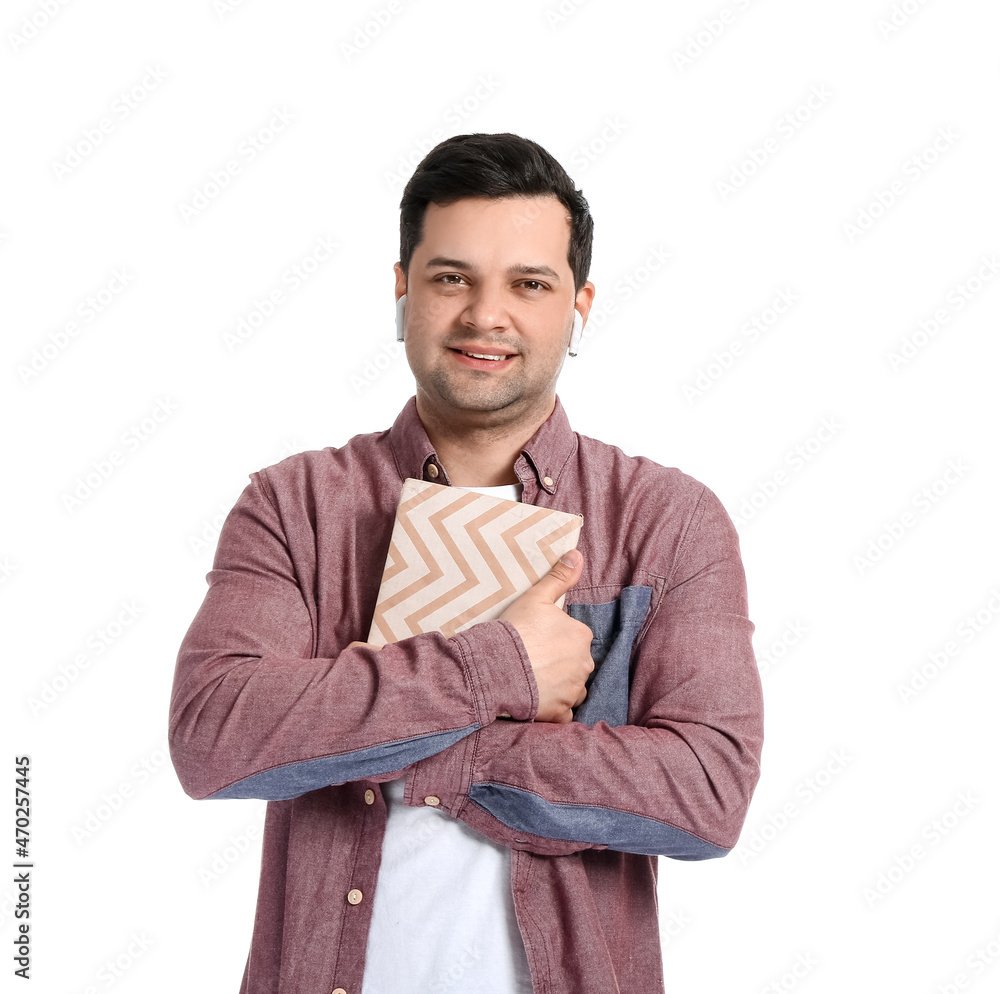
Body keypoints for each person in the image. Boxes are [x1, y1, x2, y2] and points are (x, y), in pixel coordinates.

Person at [169, 132, 764, 994]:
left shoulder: (668, 522)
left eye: (530, 283)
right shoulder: (294, 506)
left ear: (578, 304)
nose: (488, 315)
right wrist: (500, 669)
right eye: (452, 278)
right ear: (403, 289)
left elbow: (707, 794)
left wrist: (426, 749)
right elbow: (213, 736)